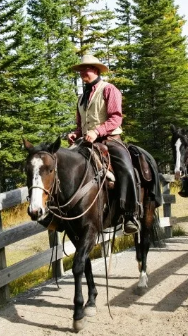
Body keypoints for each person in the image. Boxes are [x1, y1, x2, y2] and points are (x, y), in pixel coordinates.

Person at [67, 54, 139, 235]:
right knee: (61, 164)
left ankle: (130, 214)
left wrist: (97, 131)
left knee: (126, 169)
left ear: (96, 70)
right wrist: (75, 134)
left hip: (110, 140)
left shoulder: (109, 89)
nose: (83, 72)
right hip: (87, 142)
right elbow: (80, 125)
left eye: (86, 68)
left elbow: (115, 118)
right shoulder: (81, 98)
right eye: (81, 69)